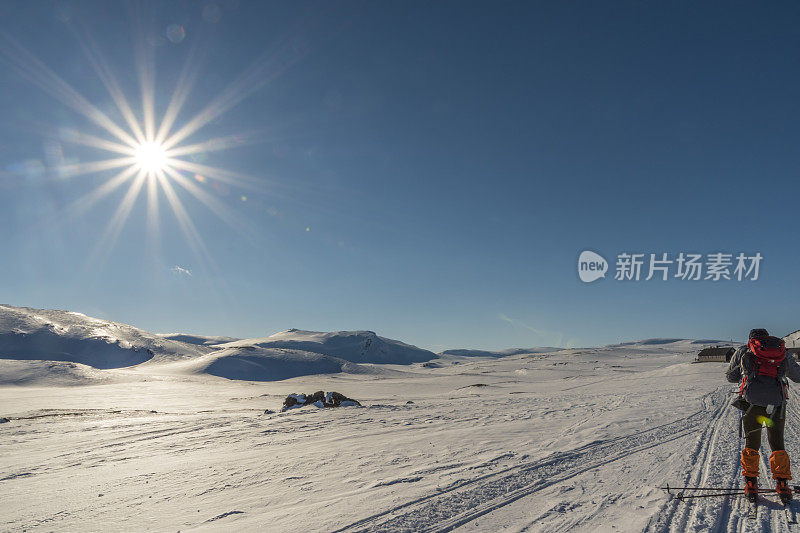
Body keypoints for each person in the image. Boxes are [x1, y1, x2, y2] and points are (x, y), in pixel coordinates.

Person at [726, 328, 800, 503]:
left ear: (750, 339)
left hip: (752, 404)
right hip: (776, 405)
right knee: (777, 443)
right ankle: (782, 484)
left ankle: (751, 484)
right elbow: (797, 377)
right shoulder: (782, 352)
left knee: (752, 443)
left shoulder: (744, 351)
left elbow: (730, 377)